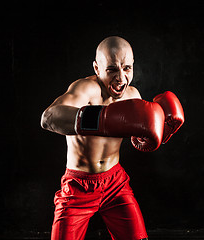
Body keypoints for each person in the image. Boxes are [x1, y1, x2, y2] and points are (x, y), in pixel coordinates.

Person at [41, 36, 184, 240]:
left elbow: (144, 131)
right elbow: (48, 118)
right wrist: (103, 119)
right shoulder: (86, 89)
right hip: (79, 185)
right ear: (97, 69)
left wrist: (161, 131)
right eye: (111, 70)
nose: (120, 78)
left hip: (115, 184)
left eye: (127, 68)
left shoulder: (133, 97)